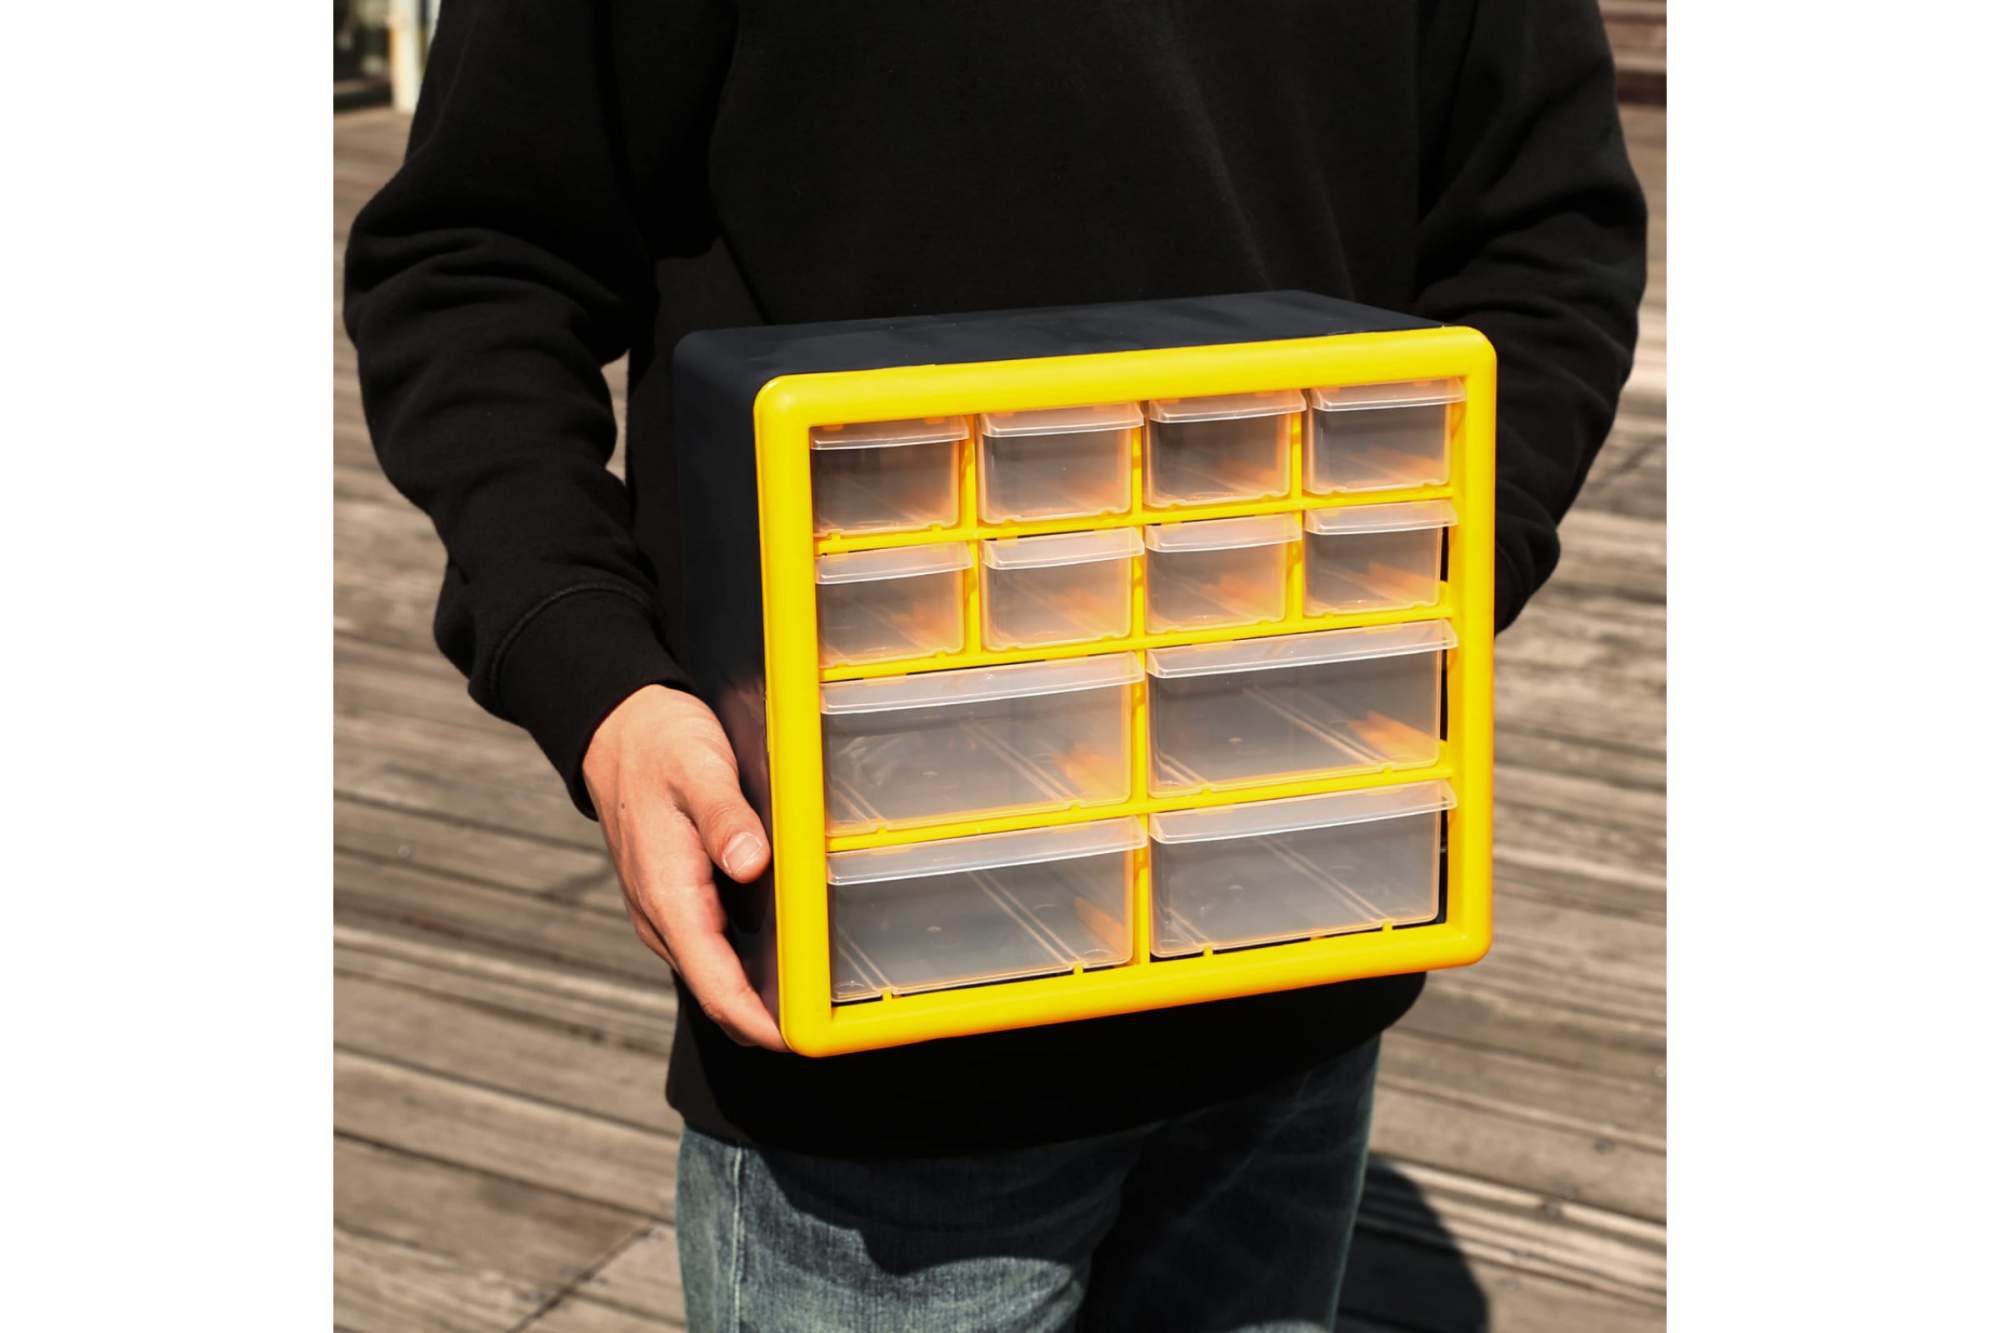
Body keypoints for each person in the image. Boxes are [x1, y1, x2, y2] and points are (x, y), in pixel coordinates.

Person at [344, 1, 1645, 1327]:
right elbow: (477, 262)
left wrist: (1409, 579)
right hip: (874, 1039)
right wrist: (598, 678)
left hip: (1300, 959)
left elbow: (1546, 235)